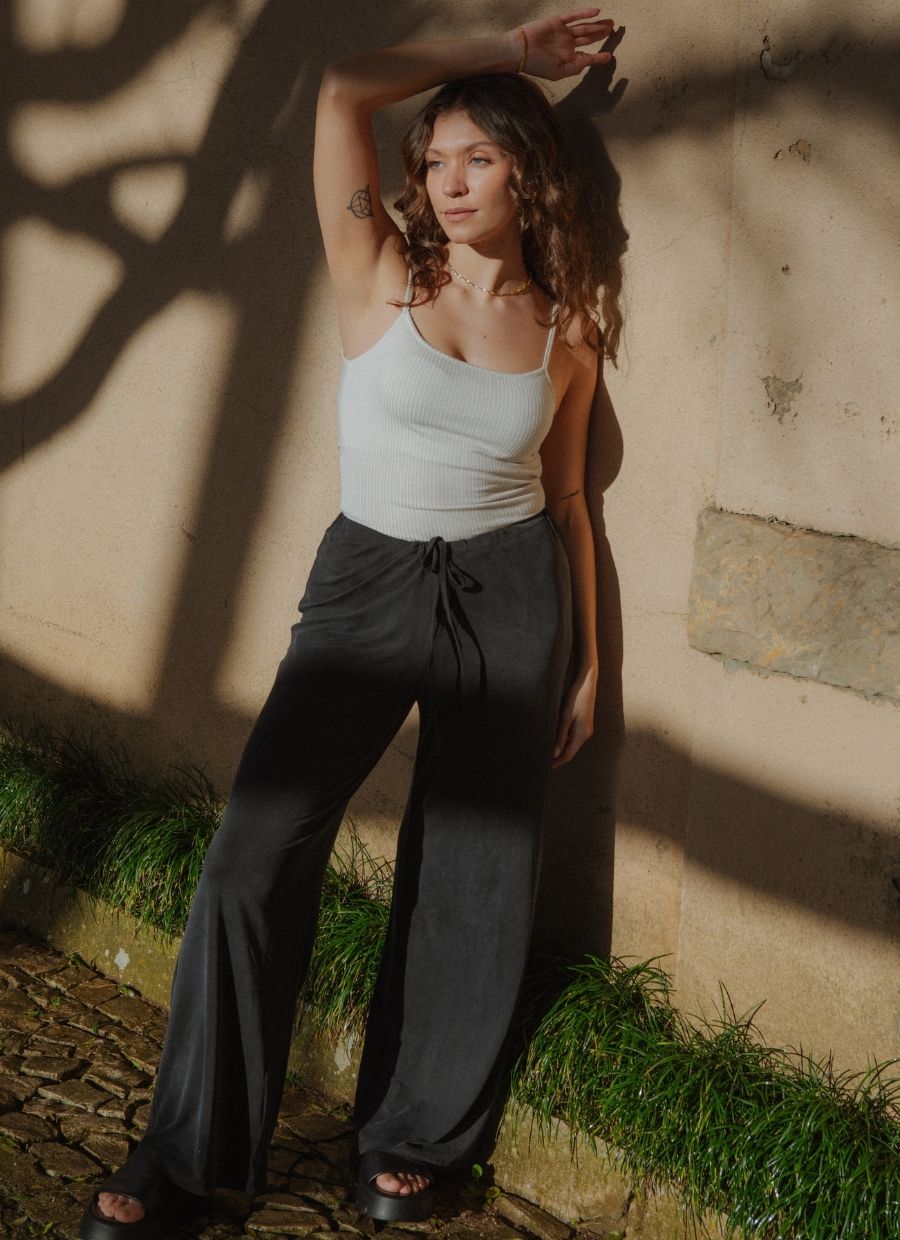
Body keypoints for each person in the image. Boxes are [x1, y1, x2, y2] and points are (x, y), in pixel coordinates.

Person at [80, 8, 622, 1237]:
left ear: (528, 173)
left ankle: (411, 1140)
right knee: (253, 854)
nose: (449, 179)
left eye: (478, 156)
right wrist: (508, 48)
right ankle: (187, 1159)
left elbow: (569, 502)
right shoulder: (379, 271)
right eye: (435, 160)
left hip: (511, 595)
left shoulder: (566, 335)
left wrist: (590, 660)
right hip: (366, 583)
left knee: (473, 876)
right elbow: (339, 94)